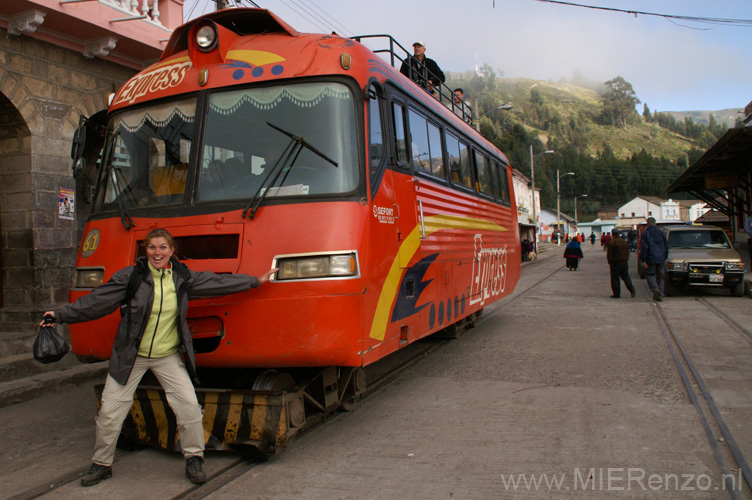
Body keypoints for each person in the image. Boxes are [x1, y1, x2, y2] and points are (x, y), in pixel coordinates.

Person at [42, 228, 278, 487]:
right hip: (132, 355)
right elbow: (96, 302)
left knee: (189, 407)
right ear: (146, 250)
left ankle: (194, 459)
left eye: (163, 248)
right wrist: (59, 315)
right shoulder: (130, 277)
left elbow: (216, 283)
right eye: (152, 247)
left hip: (167, 356)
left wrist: (255, 281)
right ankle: (101, 464)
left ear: (171, 251)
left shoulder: (182, 278)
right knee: (110, 412)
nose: (157, 253)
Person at [639, 217, 668, 301]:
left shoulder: (646, 234)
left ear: (647, 223)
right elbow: (666, 246)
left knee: (650, 275)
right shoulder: (661, 233)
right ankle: (661, 293)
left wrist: (644, 260)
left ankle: (655, 290)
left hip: (651, 258)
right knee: (660, 276)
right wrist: (665, 256)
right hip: (661, 258)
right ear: (655, 223)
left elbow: (644, 247)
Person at [606, 228, 636, 298]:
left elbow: (609, 254)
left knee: (615, 279)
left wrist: (610, 262)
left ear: (612, 234)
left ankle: (616, 294)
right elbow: (628, 252)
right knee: (626, 277)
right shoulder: (624, 242)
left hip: (615, 263)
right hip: (624, 262)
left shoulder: (612, 243)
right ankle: (632, 290)